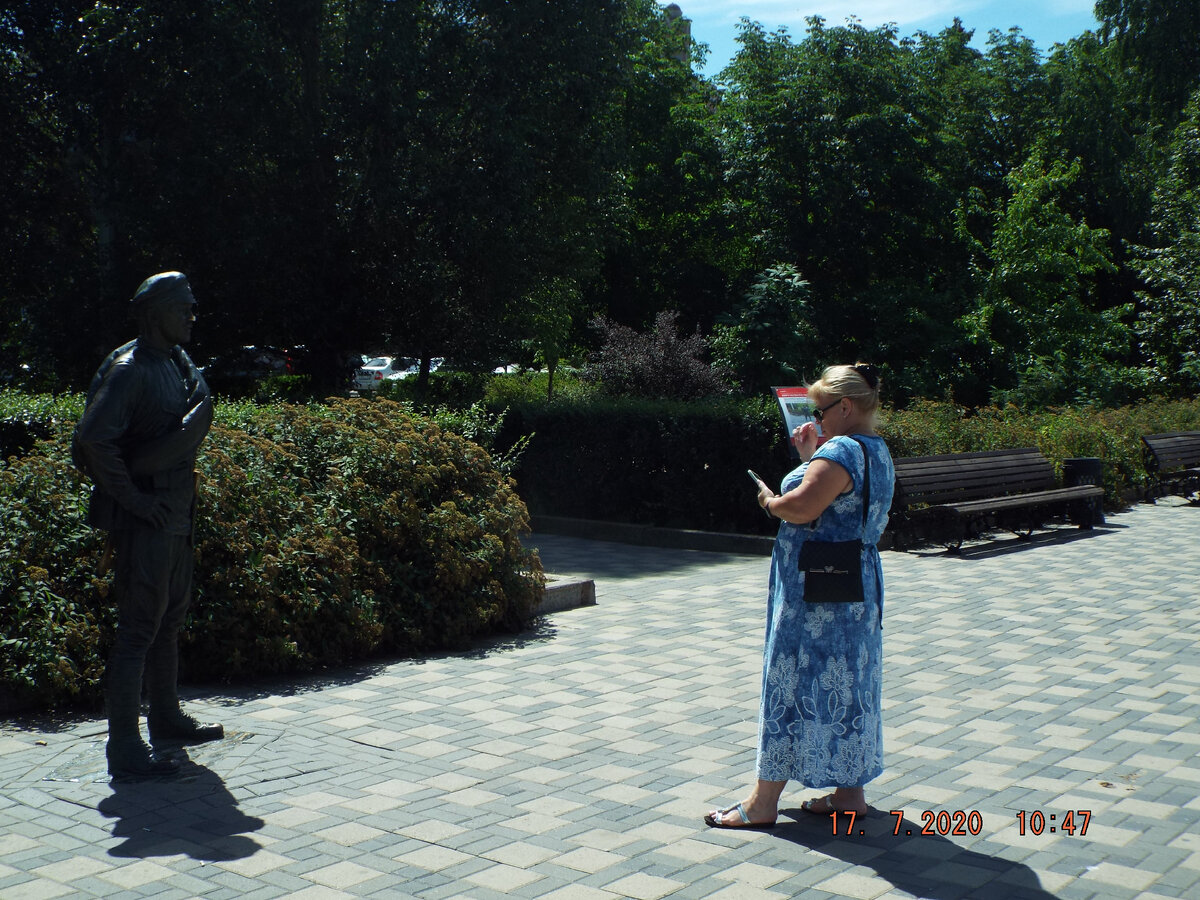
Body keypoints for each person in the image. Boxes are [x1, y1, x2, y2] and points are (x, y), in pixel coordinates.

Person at [705, 363, 895, 828]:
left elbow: (804, 506)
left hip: (815, 596)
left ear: (845, 406)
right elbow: (836, 501)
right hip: (857, 587)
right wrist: (811, 455)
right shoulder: (875, 449)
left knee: (790, 681)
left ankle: (762, 802)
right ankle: (850, 795)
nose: (817, 417)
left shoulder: (842, 450)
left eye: (822, 409)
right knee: (849, 684)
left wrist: (770, 501)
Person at [73, 272, 223, 779]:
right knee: (138, 628)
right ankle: (125, 747)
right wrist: (136, 502)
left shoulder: (176, 364)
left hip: (178, 511)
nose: (191, 315)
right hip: (150, 517)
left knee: (170, 620)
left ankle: (165, 716)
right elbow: (94, 442)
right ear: (156, 312)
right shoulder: (130, 369)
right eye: (183, 307)